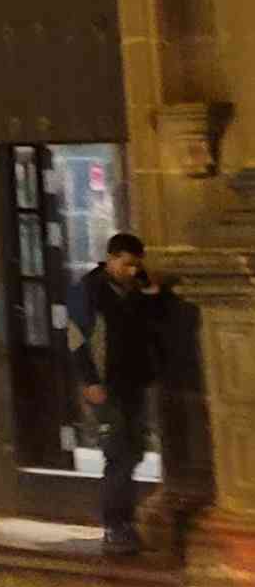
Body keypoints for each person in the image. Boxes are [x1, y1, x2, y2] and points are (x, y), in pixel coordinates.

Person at [68, 232, 170, 561]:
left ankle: (123, 523)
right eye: (126, 264)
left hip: (134, 382)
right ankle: (116, 525)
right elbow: (75, 340)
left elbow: (153, 327)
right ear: (112, 258)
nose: (131, 271)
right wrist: (89, 380)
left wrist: (151, 293)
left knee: (135, 450)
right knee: (118, 453)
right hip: (105, 385)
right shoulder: (88, 291)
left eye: (135, 265)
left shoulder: (136, 290)